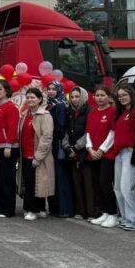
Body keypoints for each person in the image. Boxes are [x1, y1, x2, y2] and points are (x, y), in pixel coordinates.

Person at [84, 86, 118, 228]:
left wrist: (102, 150)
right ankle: (104, 212)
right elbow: (88, 132)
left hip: (106, 154)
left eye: (102, 95)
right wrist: (90, 148)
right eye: (97, 95)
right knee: (97, 184)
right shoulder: (92, 112)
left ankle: (113, 214)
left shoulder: (113, 111)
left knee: (105, 183)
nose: (99, 98)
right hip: (93, 154)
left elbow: (112, 133)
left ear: (109, 97)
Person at [17, 87, 54, 221]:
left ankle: (34, 210)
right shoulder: (25, 114)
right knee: (29, 182)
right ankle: (38, 209)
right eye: (28, 97)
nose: (30, 100)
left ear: (39, 99)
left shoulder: (45, 115)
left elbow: (46, 137)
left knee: (37, 183)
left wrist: (38, 156)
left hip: (38, 156)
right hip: (25, 154)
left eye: (33, 97)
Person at [110, 84, 135, 231]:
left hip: (131, 152)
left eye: (124, 95)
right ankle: (125, 218)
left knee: (126, 188)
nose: (122, 98)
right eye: (119, 96)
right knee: (117, 188)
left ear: (131, 95)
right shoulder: (121, 113)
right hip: (119, 153)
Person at [0, 79, 19, 218]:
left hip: (7, 148)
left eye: (0, 89)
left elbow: (13, 128)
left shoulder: (11, 107)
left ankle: (7, 209)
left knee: (7, 179)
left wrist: (9, 145)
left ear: (6, 91)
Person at [44, 81, 74, 218]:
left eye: (53, 89)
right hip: (51, 144)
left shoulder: (60, 105)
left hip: (57, 145)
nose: (51, 91)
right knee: (53, 177)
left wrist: (48, 131)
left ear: (59, 90)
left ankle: (64, 208)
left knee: (60, 177)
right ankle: (55, 208)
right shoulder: (49, 105)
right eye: (49, 89)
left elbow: (61, 128)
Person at [66, 86, 94, 219]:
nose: (74, 99)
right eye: (72, 97)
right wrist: (68, 148)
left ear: (83, 97)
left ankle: (91, 212)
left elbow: (89, 132)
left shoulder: (90, 111)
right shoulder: (69, 111)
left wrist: (76, 147)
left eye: (77, 96)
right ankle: (80, 211)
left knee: (88, 184)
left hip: (84, 152)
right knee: (76, 183)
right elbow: (65, 131)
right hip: (72, 152)